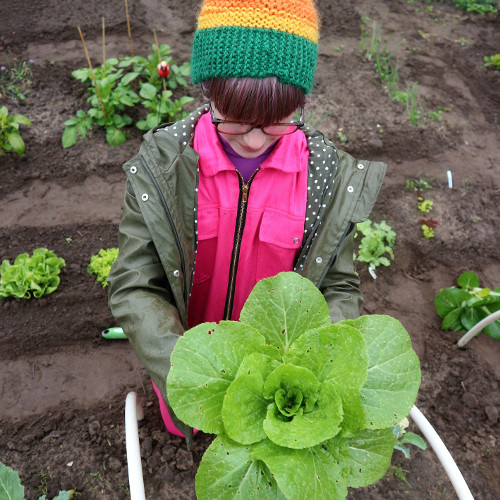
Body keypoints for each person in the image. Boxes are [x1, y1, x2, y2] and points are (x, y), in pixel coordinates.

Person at [108, 0, 387, 443]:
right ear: (208, 93)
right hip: (192, 376)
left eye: (277, 121)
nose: (255, 138)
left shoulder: (325, 177)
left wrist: (313, 370)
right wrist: (185, 371)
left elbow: (337, 285)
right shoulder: (165, 166)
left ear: (301, 101)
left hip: (274, 387)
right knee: (189, 437)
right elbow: (136, 284)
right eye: (234, 118)